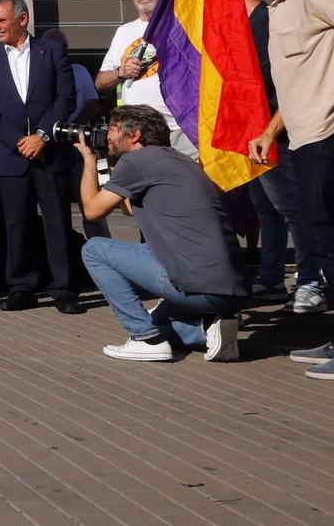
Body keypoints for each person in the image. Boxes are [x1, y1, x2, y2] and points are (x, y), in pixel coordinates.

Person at [77, 105, 248, 362]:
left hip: (200, 288)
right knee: (155, 321)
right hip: (233, 290)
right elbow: (129, 209)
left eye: (112, 128)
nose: (106, 135)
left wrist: (89, 161)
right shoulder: (180, 160)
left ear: (134, 135)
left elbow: (92, 211)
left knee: (94, 250)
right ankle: (206, 330)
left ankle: (145, 340)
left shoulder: (136, 162)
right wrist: (113, 166)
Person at [239, 0, 334, 379]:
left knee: (325, 233)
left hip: (325, 136)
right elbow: (297, 81)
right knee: (318, 233)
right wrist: (269, 130)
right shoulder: (275, 9)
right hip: (299, 137)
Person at [0, 0, 82, 314]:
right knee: (16, 224)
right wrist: (20, 141)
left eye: (1, 20)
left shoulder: (53, 51)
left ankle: (63, 288)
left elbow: (66, 98)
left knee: (57, 221)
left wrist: (42, 136)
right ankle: (22, 287)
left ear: (22, 19)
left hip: (50, 152)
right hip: (11, 155)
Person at [246, 0, 313, 304]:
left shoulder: (266, 19)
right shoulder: (247, 22)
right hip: (254, 131)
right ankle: (272, 276)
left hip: (276, 131)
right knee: (267, 207)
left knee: (290, 207)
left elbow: (263, 78)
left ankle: (311, 277)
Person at [95, 0, 197, 158]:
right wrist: (120, 72)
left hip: (181, 128)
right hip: (137, 135)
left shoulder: (185, 26)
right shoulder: (123, 32)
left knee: (186, 177)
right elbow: (100, 83)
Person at [41, 27, 108, 241]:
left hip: (78, 149)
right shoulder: (37, 72)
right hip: (49, 149)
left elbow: (91, 103)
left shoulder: (78, 71)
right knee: (55, 213)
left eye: (63, 46)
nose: (58, 50)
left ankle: (102, 250)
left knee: (92, 208)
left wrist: (72, 129)